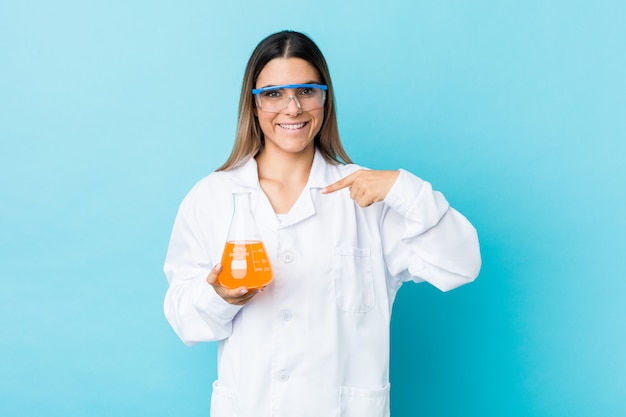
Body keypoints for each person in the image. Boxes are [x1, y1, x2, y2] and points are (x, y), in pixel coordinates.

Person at [163, 30, 481, 417]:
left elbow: (461, 264)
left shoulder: (371, 195)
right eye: (273, 94)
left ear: (325, 98)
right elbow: (184, 319)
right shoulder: (212, 196)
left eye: (306, 91)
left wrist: (404, 188)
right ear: (253, 104)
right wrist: (217, 298)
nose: (292, 108)